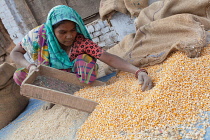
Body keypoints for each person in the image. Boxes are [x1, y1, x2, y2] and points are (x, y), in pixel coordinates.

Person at [10, 5, 153, 110]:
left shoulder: (80, 41)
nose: (69, 36)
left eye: (73, 30)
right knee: (19, 75)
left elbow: (109, 58)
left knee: (85, 61)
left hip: (77, 79)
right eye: (62, 32)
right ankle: (52, 94)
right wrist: (30, 66)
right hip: (51, 76)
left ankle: (78, 90)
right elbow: (15, 53)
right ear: (52, 30)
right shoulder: (38, 36)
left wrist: (138, 71)